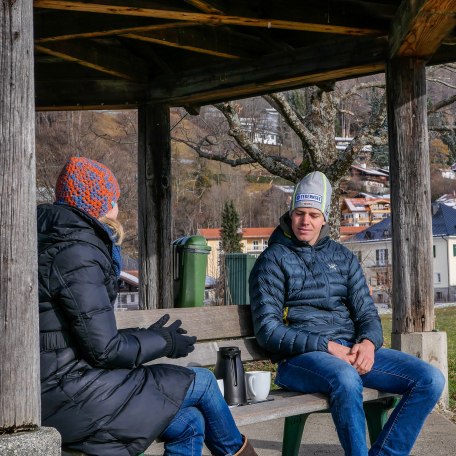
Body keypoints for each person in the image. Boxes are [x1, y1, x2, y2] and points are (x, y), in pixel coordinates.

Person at [38, 157, 257, 456]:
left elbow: (87, 333)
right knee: (203, 381)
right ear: (101, 204)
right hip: (67, 392)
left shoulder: (57, 239)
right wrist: (164, 341)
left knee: (190, 422)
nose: (117, 207)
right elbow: (105, 349)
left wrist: (147, 334)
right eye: (114, 199)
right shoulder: (76, 252)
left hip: (66, 385)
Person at [249, 171, 445, 456]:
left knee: (430, 379)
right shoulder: (272, 261)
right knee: (346, 377)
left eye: (313, 215)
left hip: (349, 352)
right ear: (290, 214)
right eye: (299, 213)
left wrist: (367, 343)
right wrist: (327, 347)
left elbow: (367, 313)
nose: (305, 221)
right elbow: (268, 330)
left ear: (325, 218)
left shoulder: (342, 257)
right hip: (300, 360)